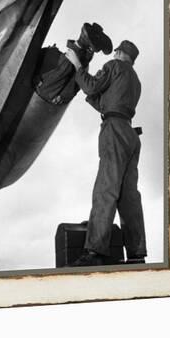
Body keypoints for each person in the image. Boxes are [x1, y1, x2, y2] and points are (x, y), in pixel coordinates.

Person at [65, 40, 147, 266]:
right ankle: (137, 253)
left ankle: (95, 252)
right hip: (131, 135)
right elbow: (104, 102)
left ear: (119, 53)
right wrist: (89, 88)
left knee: (106, 190)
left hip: (114, 132)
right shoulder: (135, 81)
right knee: (129, 197)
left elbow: (92, 87)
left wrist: (77, 66)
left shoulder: (114, 66)